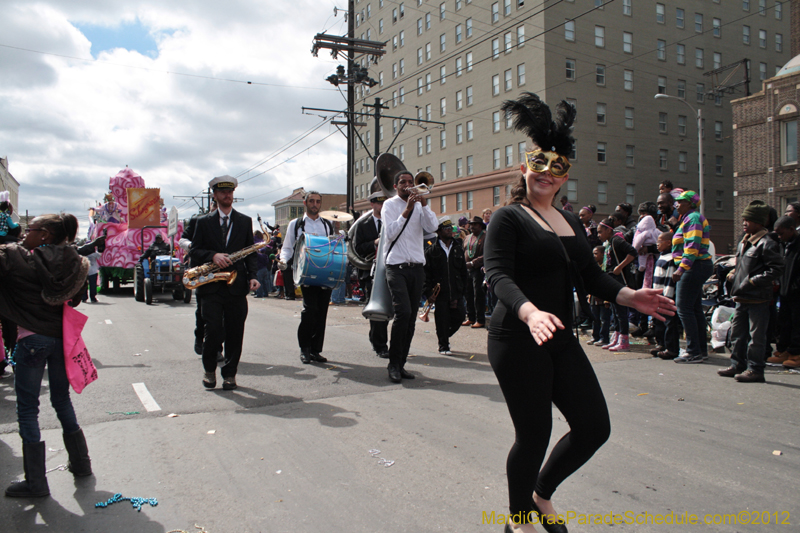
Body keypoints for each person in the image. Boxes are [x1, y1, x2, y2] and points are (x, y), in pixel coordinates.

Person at [490, 93, 675, 533]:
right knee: (533, 435)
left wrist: (630, 296)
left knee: (594, 427)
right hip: (518, 337)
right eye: (538, 163)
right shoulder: (508, 218)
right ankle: (519, 522)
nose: (545, 174)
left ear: (565, 175)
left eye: (556, 167)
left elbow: (592, 276)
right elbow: (497, 275)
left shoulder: (570, 221)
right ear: (524, 167)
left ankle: (540, 495)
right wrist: (530, 311)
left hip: (558, 335)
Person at [1, 214, 93, 498]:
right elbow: (78, 298)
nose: (24, 234)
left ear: (44, 235)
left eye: (30, 230)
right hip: (60, 340)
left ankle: (36, 482)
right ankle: (81, 464)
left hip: (31, 341)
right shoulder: (76, 261)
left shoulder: (18, 258)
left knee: (27, 408)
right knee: (61, 399)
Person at [190, 176, 260, 390]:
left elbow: (250, 253)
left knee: (235, 331)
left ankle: (230, 374)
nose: (227, 195)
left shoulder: (244, 221)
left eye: (230, 192)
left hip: (236, 285)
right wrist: (213, 256)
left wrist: (253, 276)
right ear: (215, 195)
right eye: (222, 192)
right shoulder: (202, 222)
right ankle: (209, 370)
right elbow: (194, 251)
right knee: (213, 330)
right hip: (211, 286)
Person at [381, 162, 439, 383]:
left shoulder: (420, 204)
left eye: (410, 182)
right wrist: (407, 210)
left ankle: (402, 363)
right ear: (396, 186)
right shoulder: (389, 205)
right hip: (396, 267)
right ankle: (393, 364)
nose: (408, 185)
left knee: (411, 319)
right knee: (403, 313)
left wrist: (423, 205)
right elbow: (392, 233)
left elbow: (432, 228)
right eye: (403, 182)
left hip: (416, 268)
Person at [718, 201, 783, 382]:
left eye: (749, 220)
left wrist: (753, 281)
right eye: (744, 219)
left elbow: (776, 268)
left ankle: (755, 369)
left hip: (758, 298)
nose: (745, 223)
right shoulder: (744, 242)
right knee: (738, 334)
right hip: (741, 297)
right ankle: (737, 365)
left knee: (756, 337)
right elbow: (743, 265)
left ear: (759, 222)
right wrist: (734, 272)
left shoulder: (767, 242)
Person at [279, 191, 335, 364]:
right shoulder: (295, 224)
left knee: (322, 312)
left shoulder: (327, 224)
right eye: (311, 201)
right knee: (309, 310)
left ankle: (316, 350)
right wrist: (283, 260)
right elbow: (287, 247)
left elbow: (332, 247)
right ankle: (305, 348)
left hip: (324, 272)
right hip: (305, 272)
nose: (315, 204)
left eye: (318, 201)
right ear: (305, 203)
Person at [670, 190, 713, 364]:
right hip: (696, 266)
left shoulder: (693, 218)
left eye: (680, 201)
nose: (677, 204)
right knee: (694, 309)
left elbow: (692, 246)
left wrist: (681, 269)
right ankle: (700, 350)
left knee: (684, 308)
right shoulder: (687, 219)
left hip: (694, 266)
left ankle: (693, 351)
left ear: (690, 204)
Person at [424, 216, 469, 355]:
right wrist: (428, 293)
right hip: (440, 292)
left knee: (460, 316)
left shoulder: (457, 247)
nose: (450, 231)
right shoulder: (432, 250)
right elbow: (426, 274)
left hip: (456, 290)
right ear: (439, 231)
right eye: (446, 228)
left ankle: (444, 335)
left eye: (451, 228)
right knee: (442, 319)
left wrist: (464, 289)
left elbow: (463, 271)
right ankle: (443, 345)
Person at [354, 190, 389, 358]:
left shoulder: (392, 220)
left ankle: (376, 337)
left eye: (384, 202)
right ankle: (381, 345)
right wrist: (375, 243)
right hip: (369, 271)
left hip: (391, 268)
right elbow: (358, 248)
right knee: (377, 306)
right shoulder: (363, 224)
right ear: (372, 204)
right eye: (379, 203)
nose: (382, 206)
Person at [597, 218, 637, 352]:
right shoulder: (609, 243)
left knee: (621, 312)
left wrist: (620, 267)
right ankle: (617, 336)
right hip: (612, 280)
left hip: (620, 281)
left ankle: (624, 340)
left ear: (609, 230)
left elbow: (633, 252)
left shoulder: (616, 240)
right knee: (615, 311)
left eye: (600, 232)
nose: (599, 235)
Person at [768, 216, 800, 369]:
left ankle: (796, 353)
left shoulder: (797, 245)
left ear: (791, 229)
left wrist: (795, 286)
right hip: (784, 290)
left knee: (797, 323)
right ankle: (784, 350)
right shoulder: (783, 244)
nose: (779, 237)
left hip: (796, 291)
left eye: (781, 233)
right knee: (784, 322)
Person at [652, 231, 682, 359]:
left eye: (660, 241)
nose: (657, 244)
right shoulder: (661, 256)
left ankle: (671, 348)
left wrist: (667, 297)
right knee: (659, 321)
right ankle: (661, 344)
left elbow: (670, 279)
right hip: (658, 295)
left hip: (666, 296)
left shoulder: (671, 259)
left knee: (669, 323)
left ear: (669, 243)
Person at [463, 216, 487, 329]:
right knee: (468, 294)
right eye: (471, 224)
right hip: (467, 269)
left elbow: (487, 254)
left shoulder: (486, 236)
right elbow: (464, 251)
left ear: (480, 225)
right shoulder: (467, 237)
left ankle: (480, 319)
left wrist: (474, 263)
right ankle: (471, 317)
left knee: (478, 295)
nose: (472, 226)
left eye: (475, 224)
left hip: (479, 269)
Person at [587, 246, 611, 346]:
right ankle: (595, 336)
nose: (594, 256)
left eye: (596, 253)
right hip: (594, 296)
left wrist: (607, 299)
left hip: (603, 297)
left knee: (604, 319)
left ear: (603, 254)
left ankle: (604, 338)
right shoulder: (594, 266)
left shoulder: (606, 267)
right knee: (595, 318)